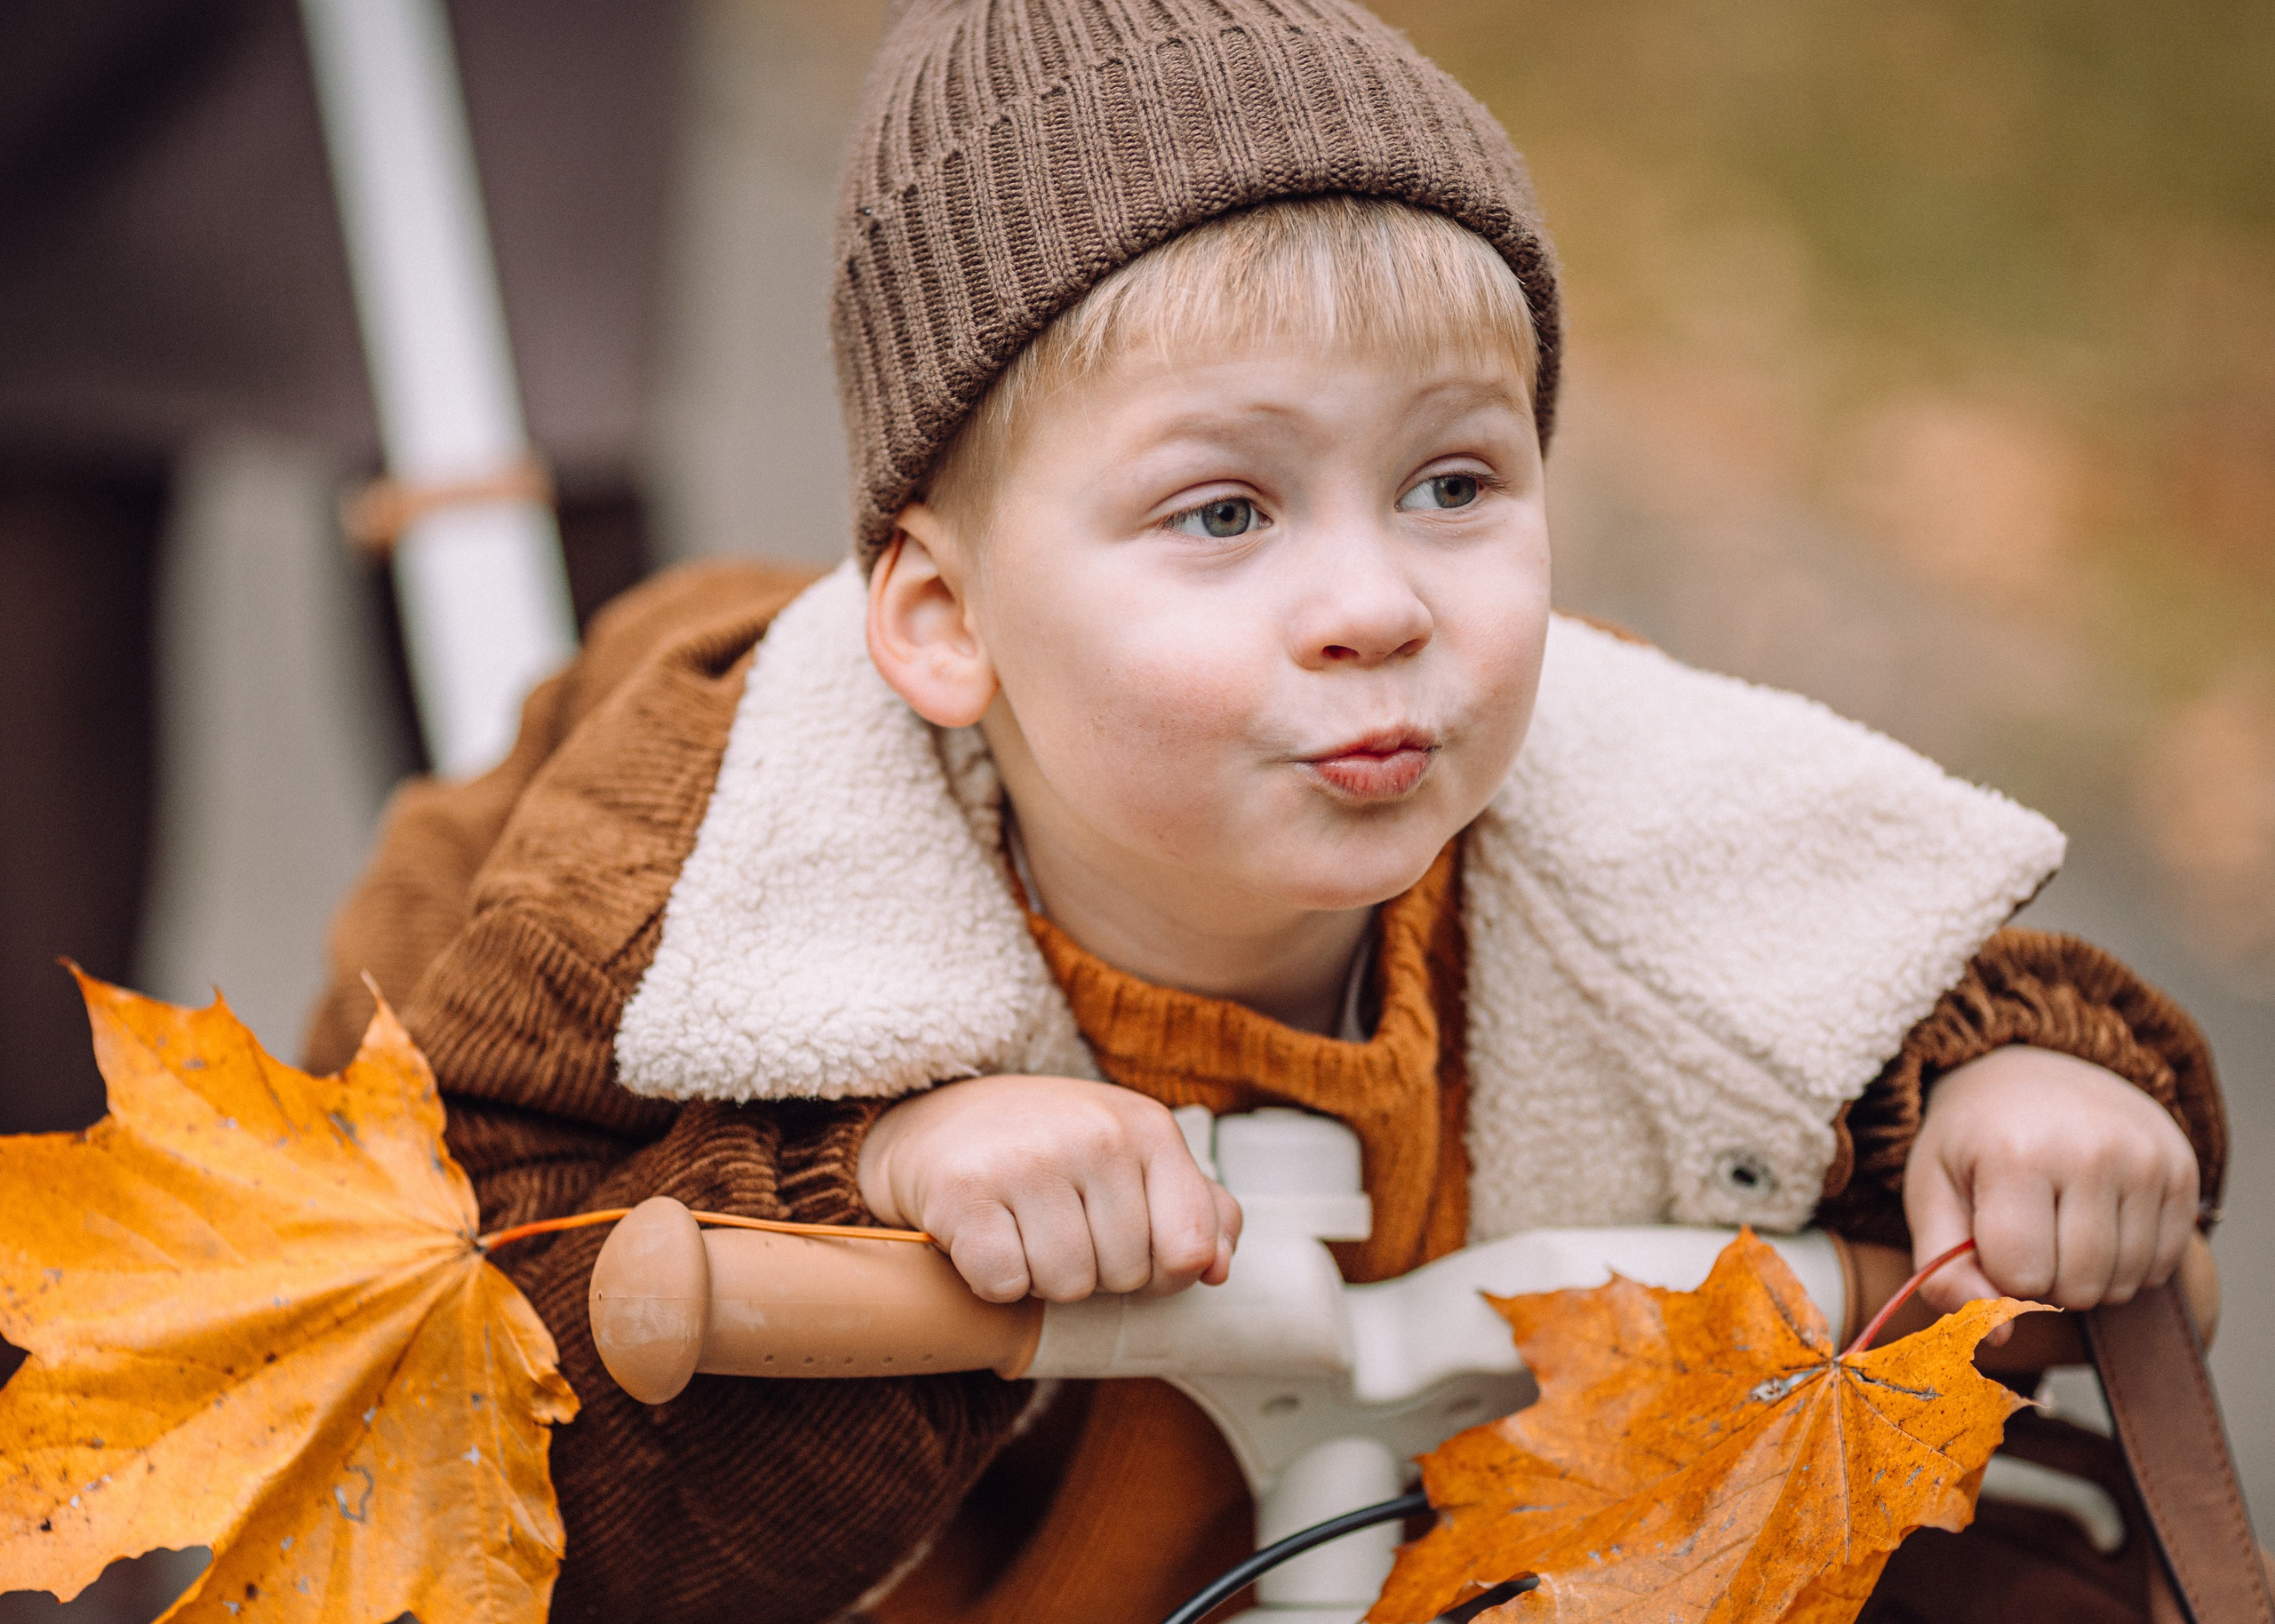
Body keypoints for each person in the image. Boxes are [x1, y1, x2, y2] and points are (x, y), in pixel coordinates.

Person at [304, 0, 2223, 1619]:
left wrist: (2015, 1089)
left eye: (1454, 481)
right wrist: (870, 1175)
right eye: (1222, 511)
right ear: (946, 619)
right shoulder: (692, 876)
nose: (1378, 601)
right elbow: (472, 1293)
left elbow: (1872, 950)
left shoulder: (1624, 807)